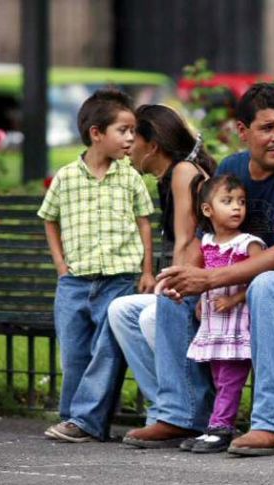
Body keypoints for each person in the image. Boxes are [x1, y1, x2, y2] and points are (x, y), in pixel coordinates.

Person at [125, 82, 274, 454]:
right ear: (242, 131)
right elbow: (201, 236)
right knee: (176, 285)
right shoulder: (231, 168)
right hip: (252, 288)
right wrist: (188, 278)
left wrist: (209, 279)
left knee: (270, 285)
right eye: (267, 128)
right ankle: (181, 413)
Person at [37, 87, 155, 442]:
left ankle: (86, 421)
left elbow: (144, 222)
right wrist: (60, 264)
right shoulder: (66, 177)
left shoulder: (129, 176)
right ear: (96, 133)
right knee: (74, 353)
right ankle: (75, 418)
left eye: (133, 131)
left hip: (118, 280)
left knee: (105, 351)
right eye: (124, 130)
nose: (131, 138)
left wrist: (147, 270)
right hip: (74, 283)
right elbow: (49, 218)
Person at [107, 104, 217, 437]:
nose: (127, 144)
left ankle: (190, 412)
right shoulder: (167, 177)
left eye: (132, 136)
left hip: (207, 284)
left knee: (150, 316)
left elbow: (188, 242)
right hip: (188, 279)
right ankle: (166, 410)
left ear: (153, 145)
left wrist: (170, 287)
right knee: (121, 310)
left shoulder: (184, 171)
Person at [180, 174, 266, 453]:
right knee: (219, 376)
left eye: (241, 201)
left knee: (230, 378)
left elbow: (262, 276)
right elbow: (205, 277)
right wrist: (202, 300)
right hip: (214, 324)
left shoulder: (248, 243)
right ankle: (219, 425)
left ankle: (221, 428)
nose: (236, 207)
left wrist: (236, 298)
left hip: (237, 323)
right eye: (227, 201)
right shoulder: (207, 243)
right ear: (208, 210)